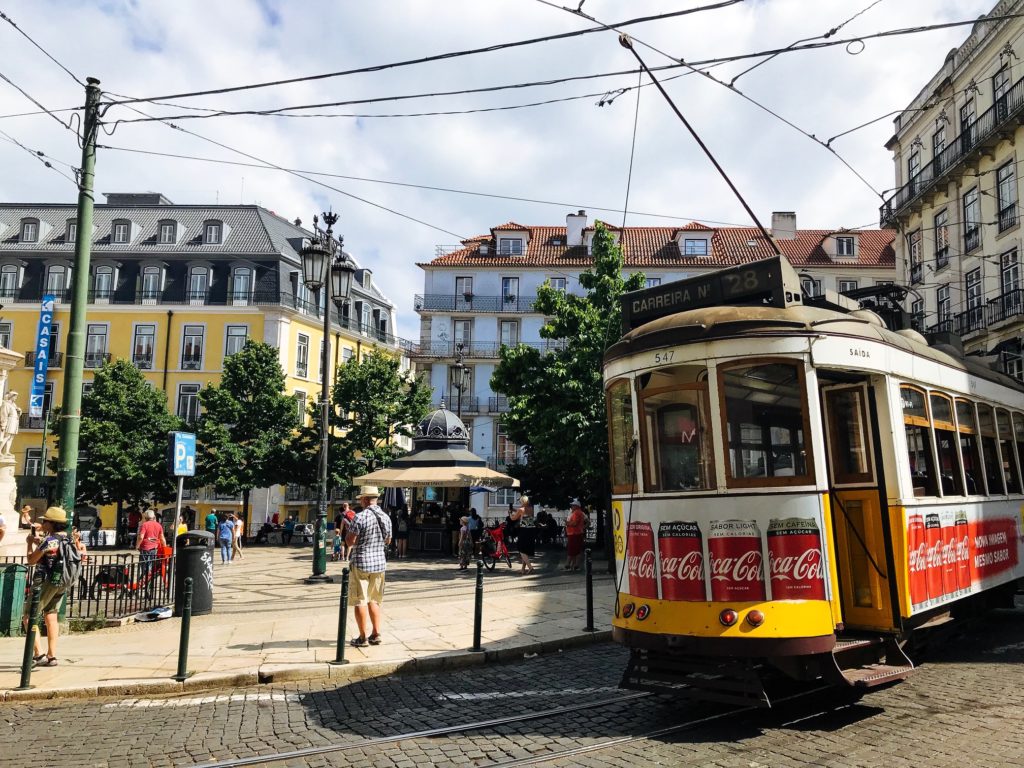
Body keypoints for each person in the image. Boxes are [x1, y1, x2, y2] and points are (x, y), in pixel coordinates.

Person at [345, 486, 392, 648]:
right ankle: (376, 633)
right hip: (379, 564)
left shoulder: (360, 517)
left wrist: (359, 541)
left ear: (365, 499)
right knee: (374, 599)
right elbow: (388, 541)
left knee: (360, 600)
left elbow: (350, 541)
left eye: (360, 499)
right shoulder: (386, 517)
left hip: (361, 563)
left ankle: (363, 637)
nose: (360, 501)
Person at [24, 506, 70, 667]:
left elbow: (31, 560)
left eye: (45, 521)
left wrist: (30, 544)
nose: (43, 523)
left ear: (52, 524)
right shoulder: (68, 539)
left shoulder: (49, 541)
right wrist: (40, 542)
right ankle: (52, 656)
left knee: (29, 616)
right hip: (62, 582)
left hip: (46, 581)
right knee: (51, 615)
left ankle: (39, 654)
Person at [137, 509, 166, 580]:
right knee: (151, 565)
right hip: (154, 548)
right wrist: (164, 547)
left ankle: (143, 580)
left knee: (144, 566)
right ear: (154, 517)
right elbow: (162, 538)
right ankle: (148, 581)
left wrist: (137, 546)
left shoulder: (144, 525)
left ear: (146, 518)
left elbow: (141, 537)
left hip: (145, 547)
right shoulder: (159, 525)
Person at [511, 496, 535, 574]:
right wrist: (515, 510)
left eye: (520, 501)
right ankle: (523, 570)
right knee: (525, 550)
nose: (520, 503)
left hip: (524, 530)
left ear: (522, 501)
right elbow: (523, 513)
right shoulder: (531, 508)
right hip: (531, 530)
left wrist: (510, 514)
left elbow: (513, 518)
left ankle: (530, 567)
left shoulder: (521, 510)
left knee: (521, 549)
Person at [563, 499, 587, 571]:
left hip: (574, 533)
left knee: (571, 549)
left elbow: (574, 523)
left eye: (573, 505)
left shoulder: (576, 513)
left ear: (576, 506)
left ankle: (568, 565)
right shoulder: (580, 513)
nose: (571, 506)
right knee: (577, 550)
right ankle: (575, 565)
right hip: (578, 533)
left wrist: (567, 523)